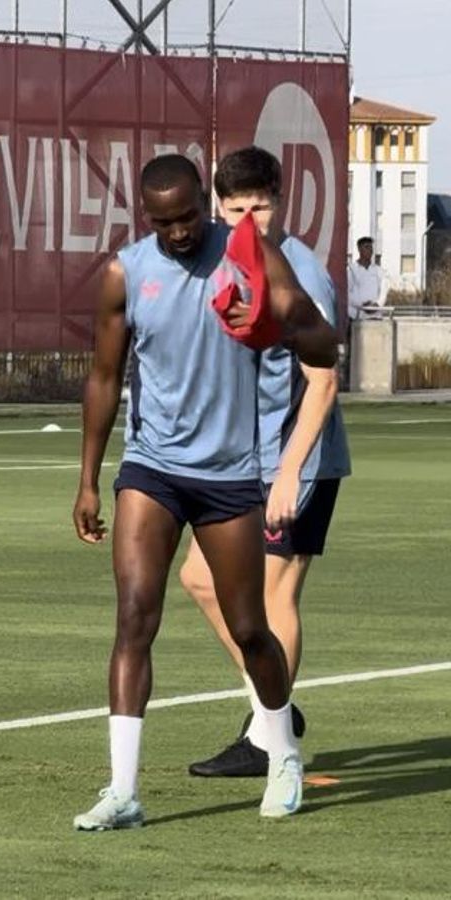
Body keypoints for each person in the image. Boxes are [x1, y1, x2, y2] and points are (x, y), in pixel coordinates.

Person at [72, 154, 340, 830]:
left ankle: (282, 753)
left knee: (250, 627)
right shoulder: (125, 272)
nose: (179, 232)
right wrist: (87, 480)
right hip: (151, 468)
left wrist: (271, 320)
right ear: (147, 217)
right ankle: (123, 790)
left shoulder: (251, 257)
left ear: (203, 202)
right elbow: (103, 377)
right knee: (135, 617)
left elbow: (323, 345)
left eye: (188, 217)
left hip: (229, 476)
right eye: (164, 222)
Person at [179, 146, 351, 778]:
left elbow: (323, 382)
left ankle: (268, 741)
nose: (249, 221)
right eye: (236, 209)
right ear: (217, 208)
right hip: (242, 460)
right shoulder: (221, 263)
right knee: (200, 578)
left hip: (300, 462)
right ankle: (276, 706)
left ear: (280, 202)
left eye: (261, 207)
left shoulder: (303, 275)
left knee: (275, 592)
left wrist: (289, 472)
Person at [345, 237, 391, 320]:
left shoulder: (379, 271)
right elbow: (347, 293)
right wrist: (362, 305)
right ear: (359, 249)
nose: (370, 250)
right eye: (366, 247)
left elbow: (384, 292)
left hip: (375, 317)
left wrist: (377, 305)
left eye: (371, 247)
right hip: (356, 317)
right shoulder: (351, 270)